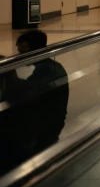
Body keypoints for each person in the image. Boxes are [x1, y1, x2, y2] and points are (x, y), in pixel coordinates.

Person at [1, 31, 69, 175]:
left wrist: (10, 78)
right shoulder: (50, 68)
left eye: (24, 53)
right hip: (47, 128)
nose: (21, 57)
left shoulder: (45, 74)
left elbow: (28, 99)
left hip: (41, 135)